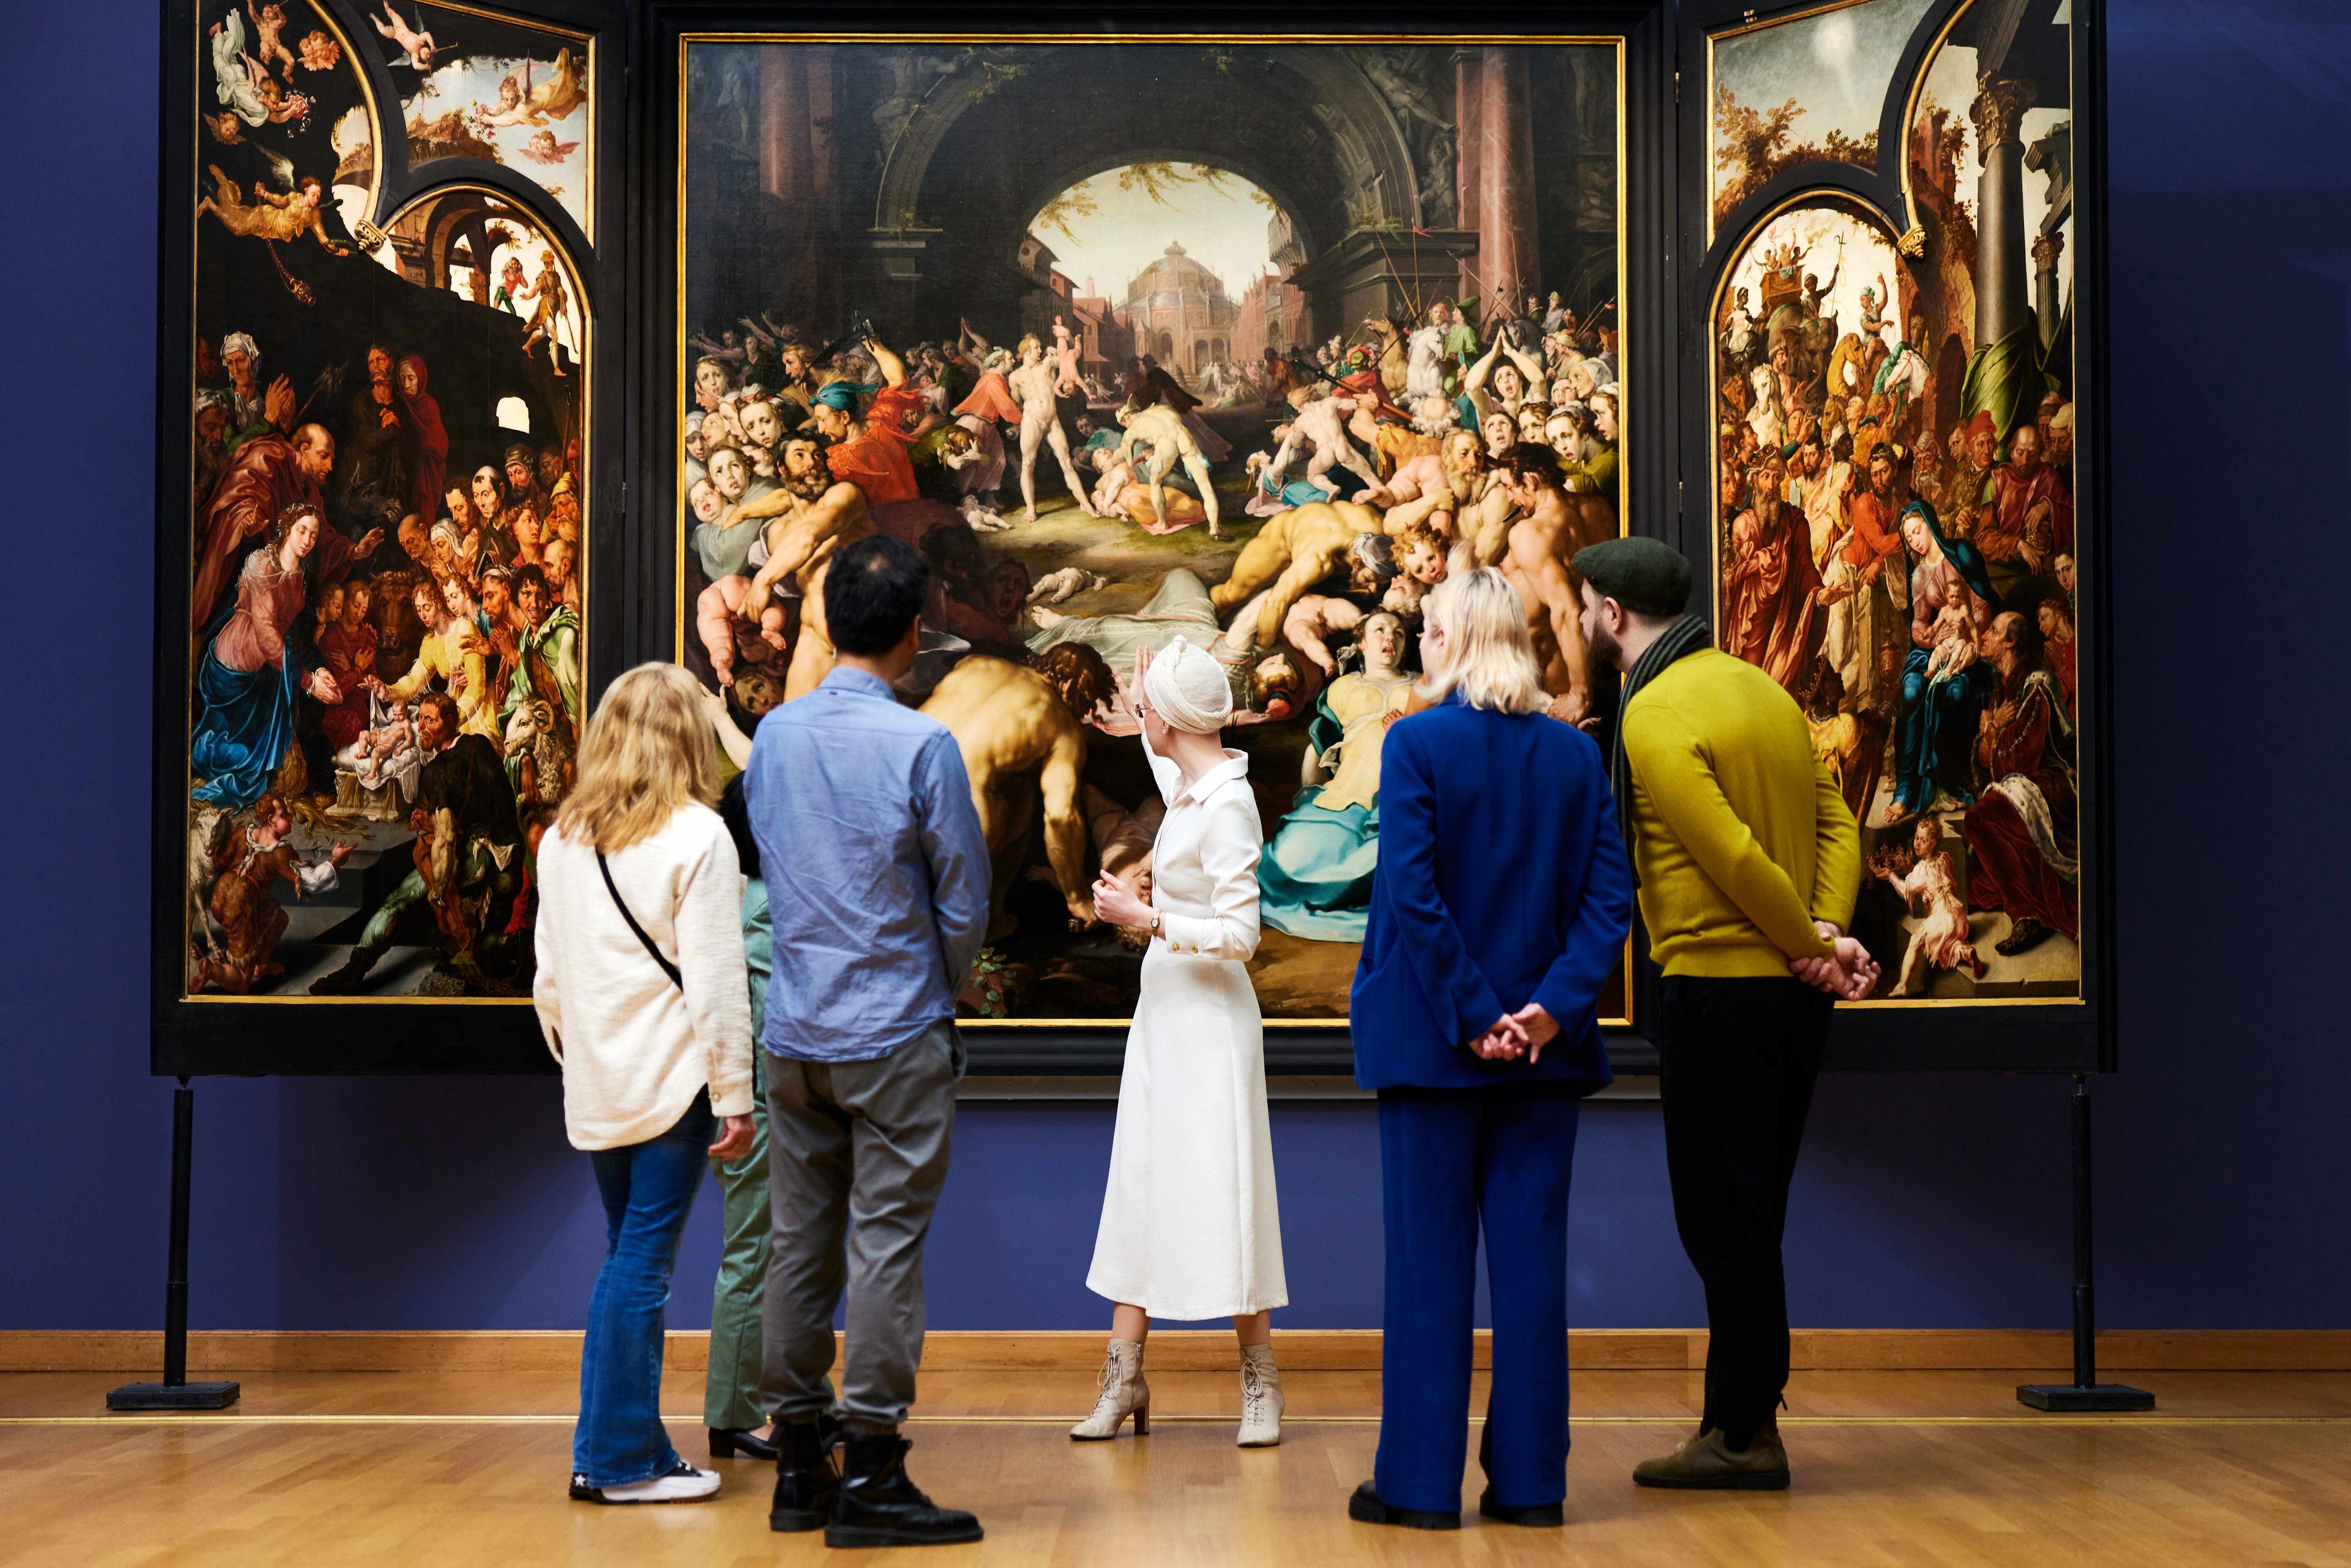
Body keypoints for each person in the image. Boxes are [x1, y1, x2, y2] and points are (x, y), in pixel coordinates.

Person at [1571, 536, 1872, 1492]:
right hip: (1791, 997)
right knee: (1755, 1209)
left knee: (1722, 1218)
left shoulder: (1651, 711)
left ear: (1613, 613)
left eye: (1585, 605)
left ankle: (1742, 1435)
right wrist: (1823, 932)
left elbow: (1730, 858)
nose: (1580, 619)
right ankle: (1736, 1419)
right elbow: (1839, 822)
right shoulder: (1762, 688)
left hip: (1717, 990)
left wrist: (1812, 942)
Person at [1341, 569, 1630, 1532]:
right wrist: (1545, 1011)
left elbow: (1414, 898)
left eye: (1428, 627)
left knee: (1428, 1272)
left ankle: (1421, 1487)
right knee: (1533, 1271)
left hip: (1434, 1050)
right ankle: (1531, 1486)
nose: (1420, 643)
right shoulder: (1575, 756)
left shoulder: (1415, 743)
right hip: (1546, 1055)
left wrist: (1473, 1014)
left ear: (1460, 637)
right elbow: (1608, 902)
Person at [744, 535, 988, 1548]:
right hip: (892, 1028)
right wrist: (948, 988)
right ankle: (874, 1467)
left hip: (795, 1030)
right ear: (914, 631)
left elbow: (767, 863)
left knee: (799, 1241)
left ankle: (798, 1460)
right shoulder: (923, 745)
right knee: (884, 1243)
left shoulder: (774, 737)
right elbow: (965, 900)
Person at [533, 662, 759, 1506]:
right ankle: (620, 1460)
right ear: (685, 739)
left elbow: (549, 980)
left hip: (600, 1085)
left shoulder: (560, 841)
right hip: (674, 1086)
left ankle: (625, 1447)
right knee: (643, 1266)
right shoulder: (700, 836)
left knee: (626, 1257)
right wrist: (734, 1094)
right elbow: (717, 981)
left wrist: (585, 1055)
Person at [1073, 637, 1288, 1448]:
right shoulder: (1196, 781)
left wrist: (1147, 918)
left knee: (1229, 1192)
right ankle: (1124, 1377)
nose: (1140, 715)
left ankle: (1261, 1386)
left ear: (1174, 719)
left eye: (1148, 705)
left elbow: (1242, 932)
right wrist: (1143, 696)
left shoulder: (1229, 804)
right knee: (1141, 1185)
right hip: (1165, 1019)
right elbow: (1173, 768)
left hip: (1213, 1027)